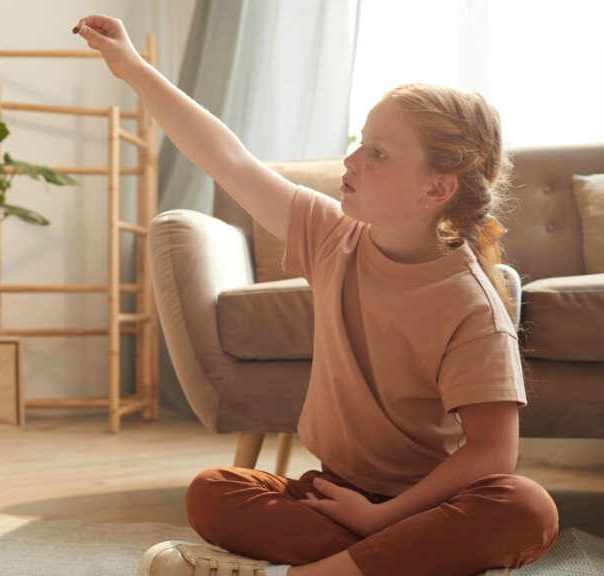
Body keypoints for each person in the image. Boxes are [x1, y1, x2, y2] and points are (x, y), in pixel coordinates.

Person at [73, 14, 559, 576]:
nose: (350, 161)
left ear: (436, 189)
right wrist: (131, 67)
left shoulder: (472, 306)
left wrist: (383, 519)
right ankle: (389, 564)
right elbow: (227, 158)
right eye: (360, 142)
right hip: (335, 497)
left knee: (527, 509)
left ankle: (314, 573)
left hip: (426, 504)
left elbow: (493, 455)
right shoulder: (331, 236)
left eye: (378, 153)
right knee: (213, 491)